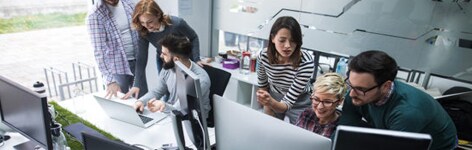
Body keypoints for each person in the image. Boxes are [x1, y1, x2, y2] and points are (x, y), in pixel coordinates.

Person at [338, 50, 457, 150]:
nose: (352, 93)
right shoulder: (356, 93)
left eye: (360, 89)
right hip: (392, 133)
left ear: (386, 86)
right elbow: (344, 133)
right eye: (350, 84)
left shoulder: (407, 112)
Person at [125, 0, 204, 99]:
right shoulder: (143, 31)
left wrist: (197, 58)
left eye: (150, 22)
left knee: (186, 92)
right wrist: (136, 84)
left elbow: (193, 37)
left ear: (158, 15)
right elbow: (141, 57)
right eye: (142, 22)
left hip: (183, 59)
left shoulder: (177, 24)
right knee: (166, 90)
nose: (147, 26)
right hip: (164, 59)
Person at [133, 33, 211, 119]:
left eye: (164, 54)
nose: (161, 56)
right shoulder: (169, 67)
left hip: (192, 120)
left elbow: (180, 110)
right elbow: (158, 91)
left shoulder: (199, 80)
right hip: (172, 113)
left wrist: (163, 105)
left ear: (176, 59)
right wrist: (140, 102)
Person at [256, 16, 314, 124]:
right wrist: (267, 104)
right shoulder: (264, 56)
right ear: (273, 38)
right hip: (274, 95)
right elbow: (262, 84)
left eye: (293, 41)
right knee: (270, 130)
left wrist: (270, 103)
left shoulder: (306, 62)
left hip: (300, 101)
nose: (287, 46)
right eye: (282, 40)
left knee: (298, 135)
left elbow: (287, 104)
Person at [86, 0, 147, 98]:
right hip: (117, 69)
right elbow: (99, 50)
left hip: (137, 63)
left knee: (142, 100)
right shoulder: (95, 15)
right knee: (122, 104)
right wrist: (110, 81)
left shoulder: (129, 4)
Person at [296, 73, 346, 138]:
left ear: (340, 101)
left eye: (327, 102)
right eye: (316, 99)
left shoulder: (341, 127)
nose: (320, 107)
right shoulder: (306, 114)